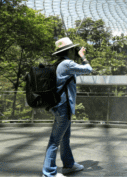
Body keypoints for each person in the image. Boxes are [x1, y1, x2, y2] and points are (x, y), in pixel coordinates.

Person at [42, 37, 94, 177]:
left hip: (58, 105)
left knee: (65, 137)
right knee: (54, 141)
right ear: (70, 50)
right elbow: (88, 69)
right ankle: (49, 173)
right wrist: (83, 57)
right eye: (74, 49)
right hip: (63, 106)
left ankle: (69, 165)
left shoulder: (58, 64)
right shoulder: (67, 64)